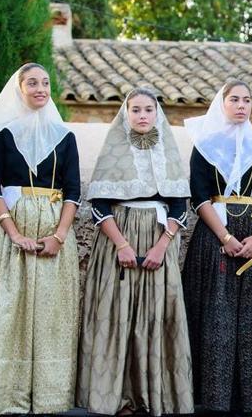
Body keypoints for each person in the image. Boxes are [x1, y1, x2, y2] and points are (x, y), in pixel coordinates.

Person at [0, 63, 81, 416]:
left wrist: (59, 236)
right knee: (8, 311)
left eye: (45, 83)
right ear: (19, 89)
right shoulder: (2, 135)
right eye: (32, 83)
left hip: (53, 230)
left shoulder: (65, 137)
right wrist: (14, 233)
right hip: (11, 233)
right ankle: (4, 396)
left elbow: (73, 190)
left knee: (51, 315)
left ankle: (49, 396)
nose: (40, 88)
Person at [77, 88, 193, 416]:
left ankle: (153, 396)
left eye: (148, 109)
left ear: (157, 114)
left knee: (155, 318)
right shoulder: (114, 148)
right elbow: (99, 205)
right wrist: (122, 244)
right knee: (117, 317)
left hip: (159, 241)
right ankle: (117, 397)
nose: (142, 115)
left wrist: (161, 246)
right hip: (119, 240)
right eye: (136, 109)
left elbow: (179, 206)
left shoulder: (168, 151)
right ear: (126, 114)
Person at [182, 79, 252, 415]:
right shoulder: (205, 145)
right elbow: (199, 196)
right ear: (222, 103)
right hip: (215, 238)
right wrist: (225, 237)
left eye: (247, 100)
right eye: (234, 99)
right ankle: (214, 398)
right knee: (217, 317)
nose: (242, 105)